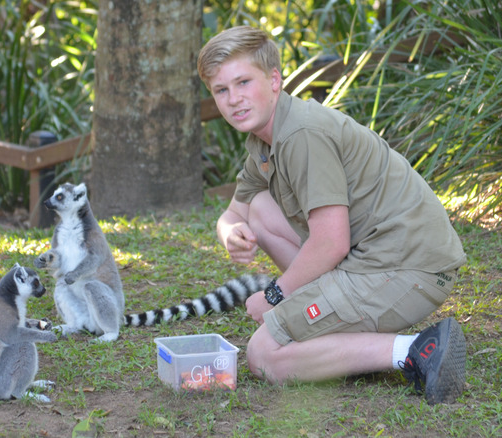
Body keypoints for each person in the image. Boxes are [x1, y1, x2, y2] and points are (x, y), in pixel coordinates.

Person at [197, 26, 468, 405]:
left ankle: (415, 349)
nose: (233, 100)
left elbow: (331, 241)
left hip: (406, 269)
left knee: (264, 355)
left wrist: (275, 296)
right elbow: (235, 212)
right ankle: (346, 340)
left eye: (243, 82)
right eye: (221, 91)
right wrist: (230, 231)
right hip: (373, 261)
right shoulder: (265, 138)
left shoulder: (301, 135)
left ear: (274, 80)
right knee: (260, 208)